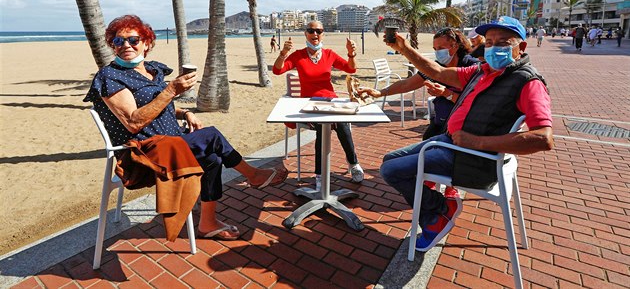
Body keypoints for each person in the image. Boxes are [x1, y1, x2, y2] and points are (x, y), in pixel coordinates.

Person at [84, 15, 288, 241]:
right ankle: (253, 175)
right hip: (145, 152)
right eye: (118, 41)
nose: (125, 46)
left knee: (213, 158)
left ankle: (208, 223)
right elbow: (133, 122)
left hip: (173, 141)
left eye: (133, 39)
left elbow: (158, 106)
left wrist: (185, 112)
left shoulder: (152, 70)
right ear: (112, 45)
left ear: (146, 43)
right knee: (212, 135)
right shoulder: (110, 76)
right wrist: (171, 90)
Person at [379, 16, 553, 252]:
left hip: (470, 159)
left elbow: (543, 138)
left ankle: (438, 213)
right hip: (450, 144)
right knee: (389, 160)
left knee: (390, 170)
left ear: (521, 47)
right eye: (489, 42)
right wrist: (404, 48)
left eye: (503, 42)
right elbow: (438, 72)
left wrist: (477, 141)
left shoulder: (528, 82)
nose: (493, 48)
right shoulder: (482, 71)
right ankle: (439, 208)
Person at [358, 28, 479, 199]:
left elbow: (476, 103)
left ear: (455, 45)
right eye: (435, 49)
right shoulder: (437, 67)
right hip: (440, 123)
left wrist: (446, 93)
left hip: (463, 129)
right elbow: (407, 84)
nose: (438, 52)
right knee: (424, 146)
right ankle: (429, 180)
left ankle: (452, 189)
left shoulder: (471, 66)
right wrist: (380, 93)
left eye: (441, 48)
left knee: (443, 158)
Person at [272, 20, 364, 190]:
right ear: (305, 33)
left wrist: (351, 55)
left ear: (323, 34)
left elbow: (351, 70)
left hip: (331, 102)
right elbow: (278, 70)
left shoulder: (329, 54)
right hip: (309, 105)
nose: (315, 34)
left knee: (339, 124)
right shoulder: (298, 55)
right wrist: (284, 53)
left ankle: (348, 165)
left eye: (319, 31)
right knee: (324, 127)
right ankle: (326, 172)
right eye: (311, 30)